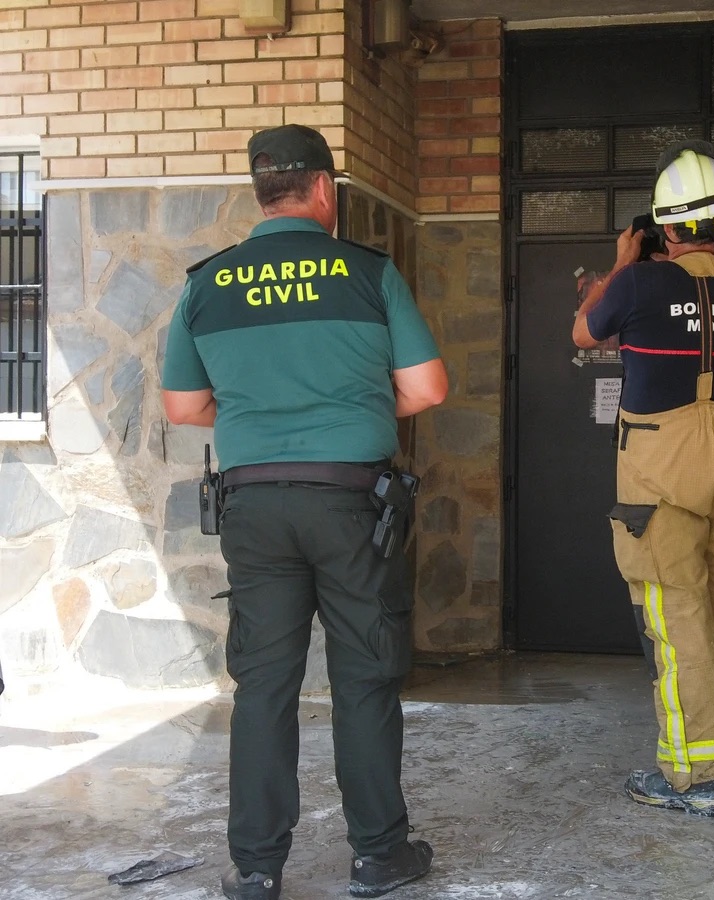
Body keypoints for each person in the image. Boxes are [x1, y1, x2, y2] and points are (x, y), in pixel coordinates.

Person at [161, 124, 447, 900]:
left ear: (262, 191)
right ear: (324, 190)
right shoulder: (367, 274)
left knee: (264, 684)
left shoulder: (208, 283)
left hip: (254, 505)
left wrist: (261, 407)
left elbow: (184, 407)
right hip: (352, 503)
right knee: (364, 674)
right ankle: (379, 854)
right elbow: (426, 390)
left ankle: (256, 868)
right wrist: (350, 402)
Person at [573, 142, 714, 817]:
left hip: (662, 459)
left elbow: (582, 333)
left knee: (670, 603)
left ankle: (697, 772)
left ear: (666, 225)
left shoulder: (636, 283)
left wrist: (624, 262)